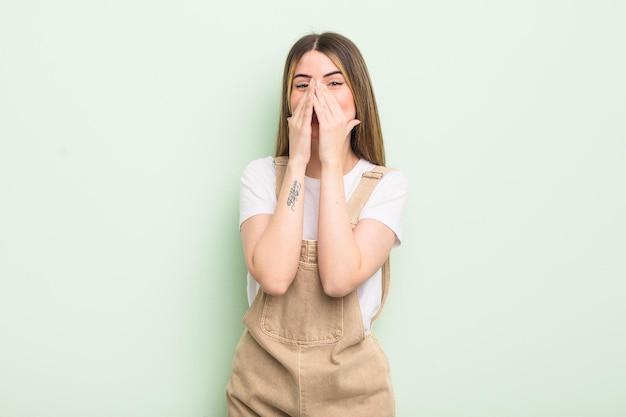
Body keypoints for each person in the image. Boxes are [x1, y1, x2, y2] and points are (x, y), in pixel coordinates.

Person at [226, 31, 408, 417]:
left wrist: (329, 162)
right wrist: (296, 161)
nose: (315, 96)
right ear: (288, 102)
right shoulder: (260, 177)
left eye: (333, 83)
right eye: (302, 85)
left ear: (357, 95)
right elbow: (273, 277)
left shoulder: (386, 185)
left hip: (354, 392)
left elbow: (339, 277)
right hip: (261, 387)